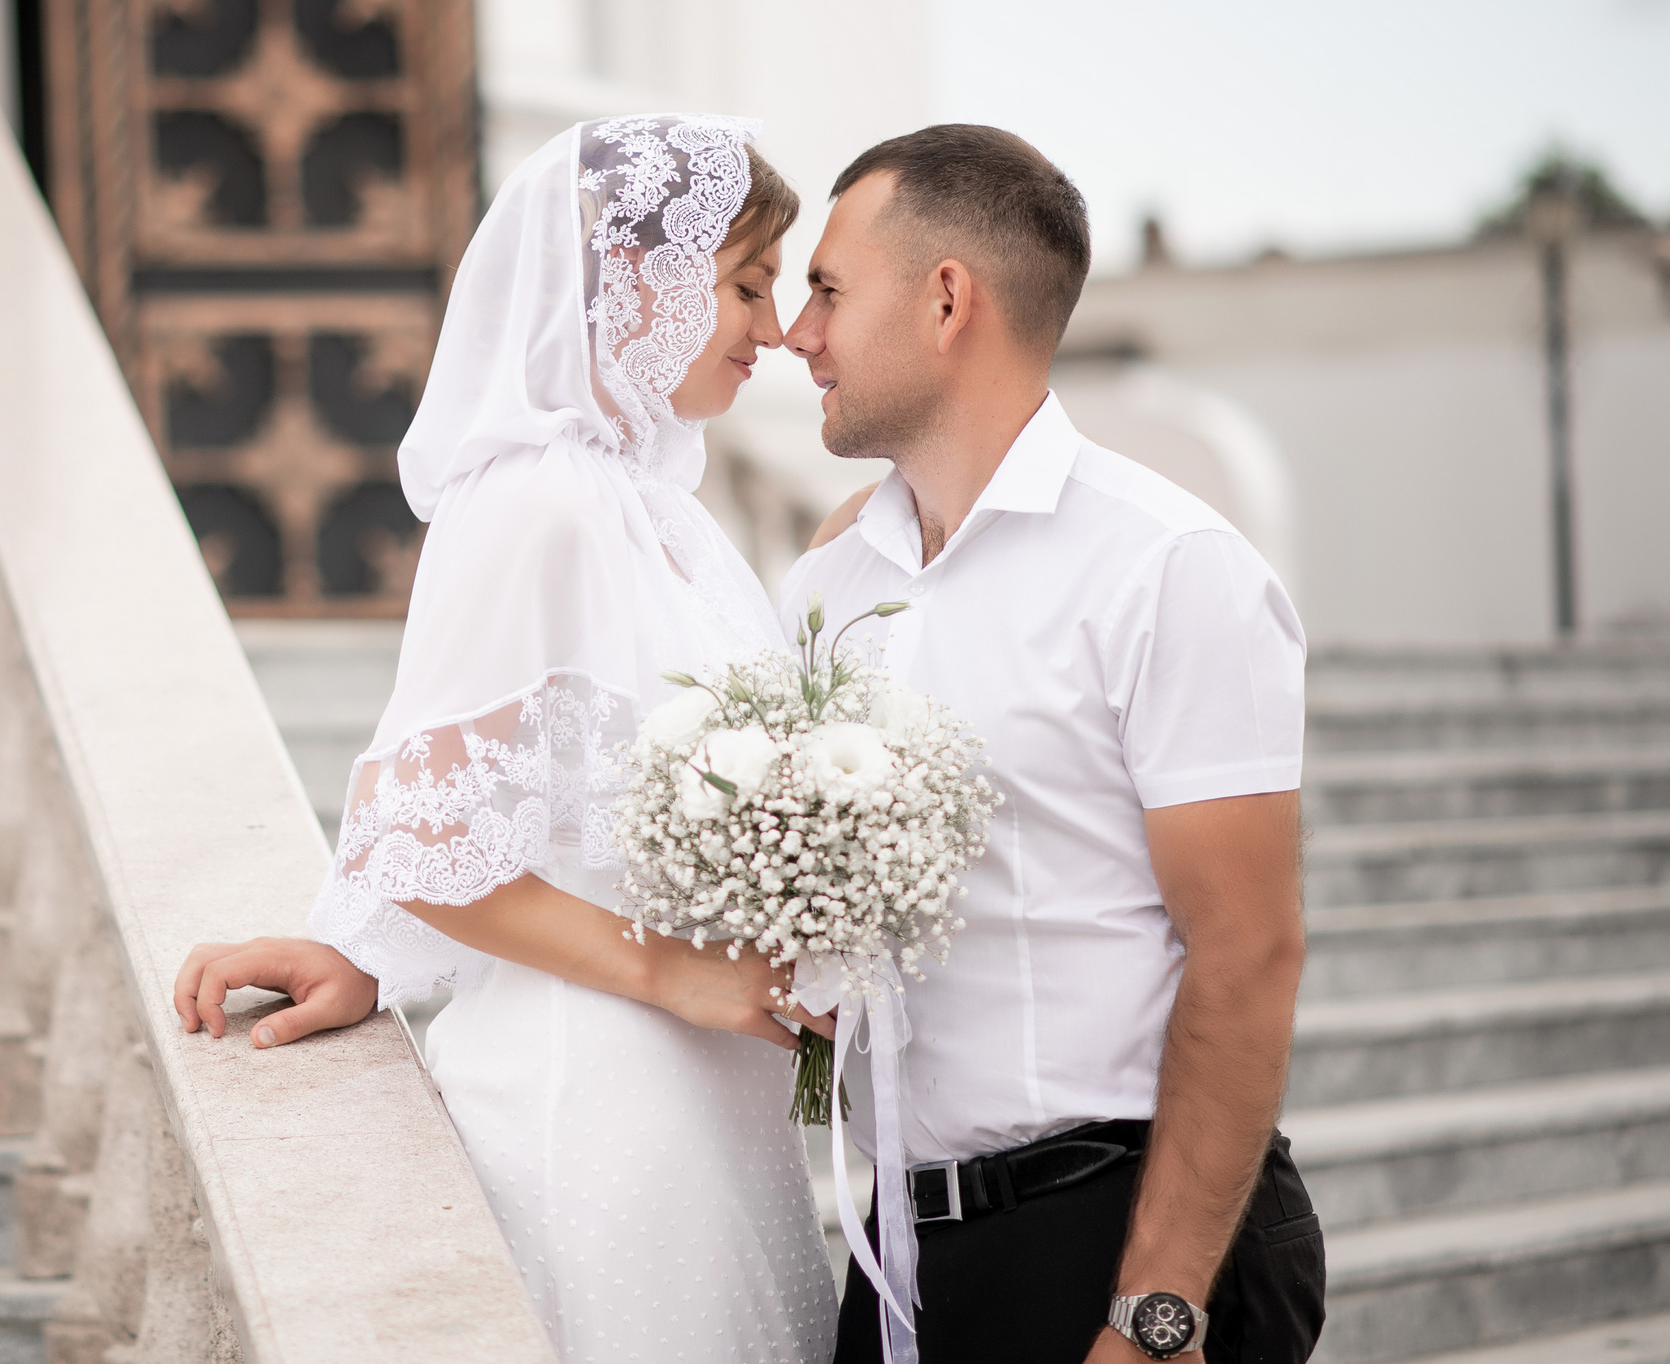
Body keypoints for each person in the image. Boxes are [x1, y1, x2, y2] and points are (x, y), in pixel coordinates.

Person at [175, 115, 837, 1364]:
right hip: (598, 1087)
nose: (770, 329)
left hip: (705, 1095)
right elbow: (436, 834)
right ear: (636, 281)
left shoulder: (662, 518)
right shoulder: (539, 499)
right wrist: (671, 971)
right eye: (745, 283)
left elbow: (530, 793)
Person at [784, 125, 1323, 1364]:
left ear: (945, 299)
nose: (798, 334)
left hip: (1121, 1243)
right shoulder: (827, 584)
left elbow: (1247, 952)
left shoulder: (1165, 568)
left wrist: (1155, 1316)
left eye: (825, 289)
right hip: (906, 1255)